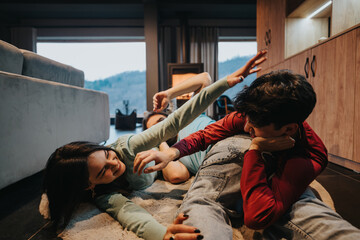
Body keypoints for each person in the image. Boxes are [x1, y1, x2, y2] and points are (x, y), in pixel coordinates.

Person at [40, 50, 268, 240]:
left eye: (107, 155)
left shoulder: (128, 146)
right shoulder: (110, 190)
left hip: (205, 132)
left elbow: (189, 102)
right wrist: (162, 235)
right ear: (89, 186)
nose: (114, 163)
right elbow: (131, 214)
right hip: (196, 149)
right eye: (103, 172)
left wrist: (170, 94)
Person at [134, 70, 360, 239]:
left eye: (162, 124)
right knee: (301, 205)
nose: (245, 126)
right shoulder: (252, 114)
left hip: (246, 160)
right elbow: (183, 166)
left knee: (300, 206)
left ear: (289, 129)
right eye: (153, 128)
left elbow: (258, 215)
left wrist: (255, 149)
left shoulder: (311, 154)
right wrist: (167, 146)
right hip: (231, 158)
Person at [142, 74, 215, 183]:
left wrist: (169, 94)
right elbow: (176, 175)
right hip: (218, 168)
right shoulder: (174, 155)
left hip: (230, 139)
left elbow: (205, 79)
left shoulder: (188, 116)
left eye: (161, 121)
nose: (160, 128)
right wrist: (160, 141)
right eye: (154, 129)